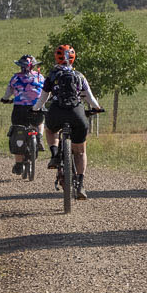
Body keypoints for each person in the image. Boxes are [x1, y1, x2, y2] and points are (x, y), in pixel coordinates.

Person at [40, 43, 102, 199]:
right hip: (77, 113)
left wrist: (35, 108)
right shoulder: (80, 76)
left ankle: (54, 155)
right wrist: (97, 108)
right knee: (80, 151)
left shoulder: (52, 75)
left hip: (57, 111)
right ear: (74, 59)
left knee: (50, 129)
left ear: (56, 58)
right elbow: (90, 97)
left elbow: (43, 98)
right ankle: (80, 184)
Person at [3, 54, 45, 177]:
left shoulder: (16, 78)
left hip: (19, 110)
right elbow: (45, 91)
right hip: (36, 108)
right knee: (40, 122)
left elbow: (8, 92)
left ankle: (19, 163)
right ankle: (40, 137)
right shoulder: (40, 77)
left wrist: (5, 99)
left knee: (17, 131)